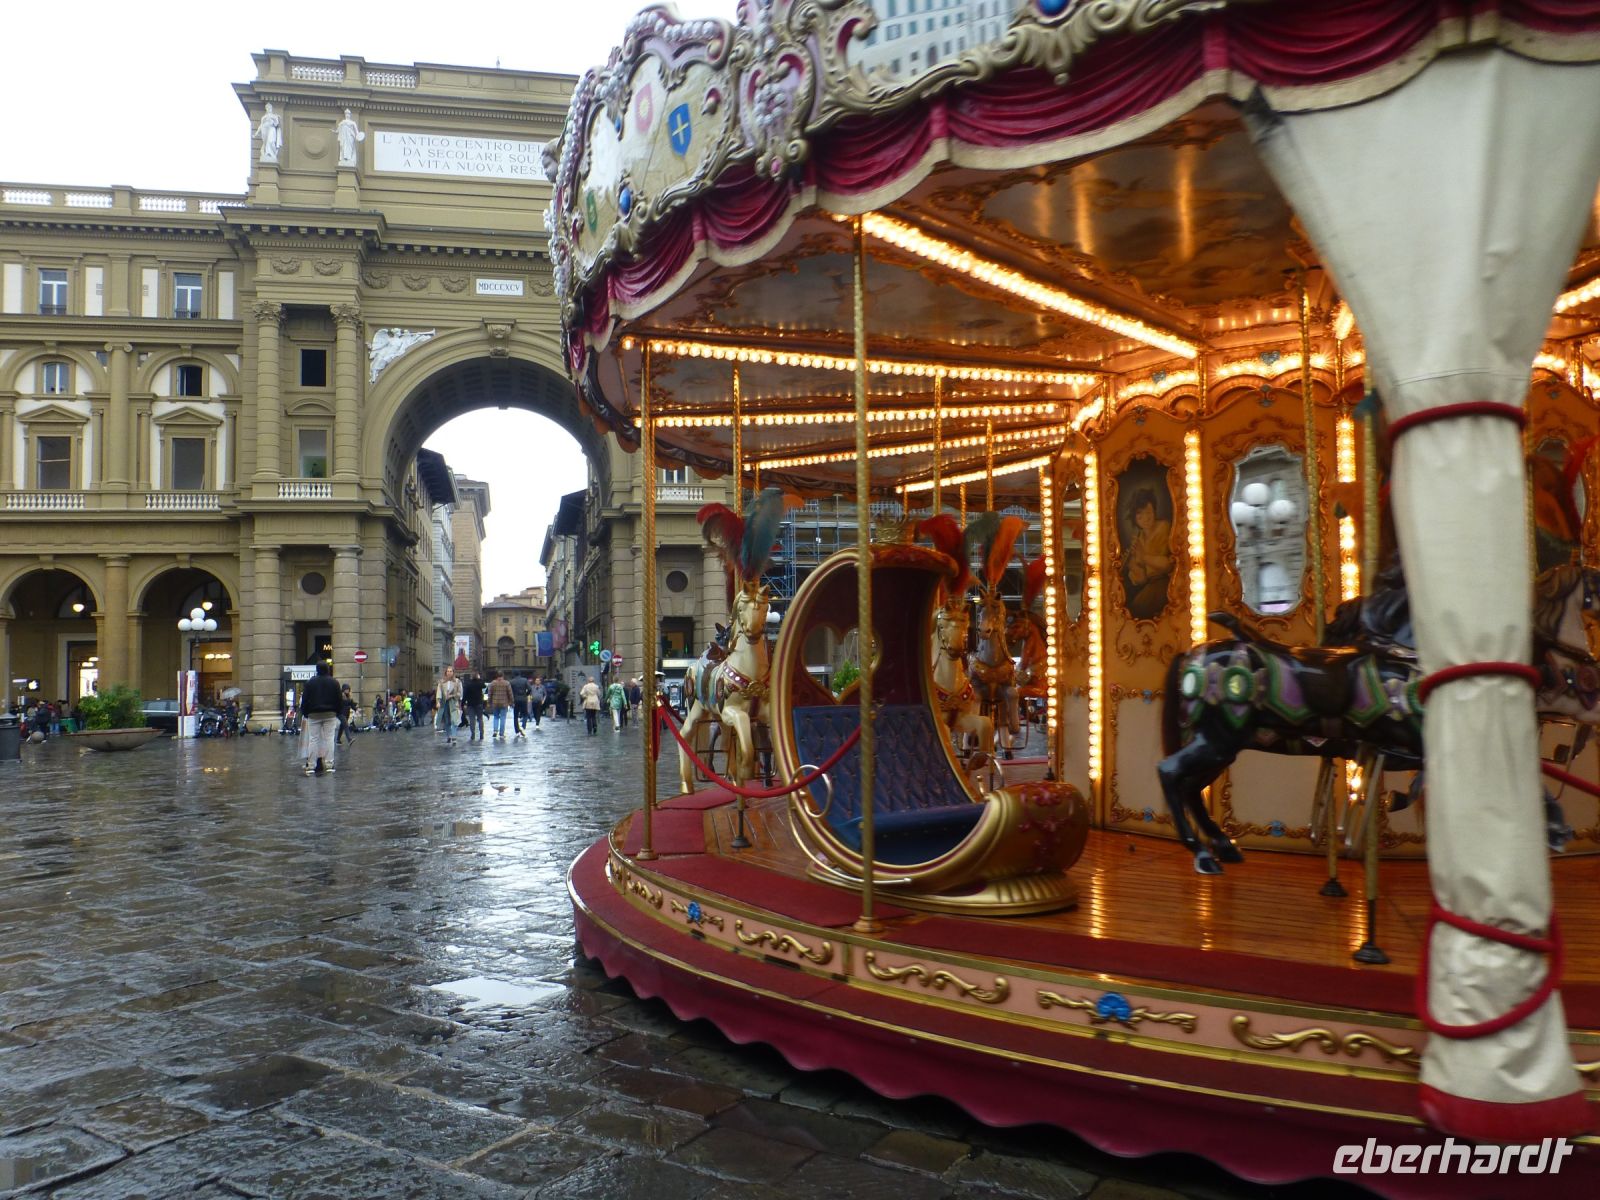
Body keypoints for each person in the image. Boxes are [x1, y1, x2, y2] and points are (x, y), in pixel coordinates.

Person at [1123, 488, 1174, 619]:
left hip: (1164, 584)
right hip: (1149, 585)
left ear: (1154, 511)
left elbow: (1167, 565)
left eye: (1148, 513)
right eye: (1140, 516)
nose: (1145, 519)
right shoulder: (1140, 537)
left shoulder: (1164, 527)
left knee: (1138, 608)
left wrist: (1143, 557)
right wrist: (1132, 564)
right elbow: (1141, 579)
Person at [300, 661, 344, 776]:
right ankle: (329, 764)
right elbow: (339, 699)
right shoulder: (334, 682)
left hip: (313, 714)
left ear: (317, 670)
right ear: (327, 669)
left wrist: (305, 713)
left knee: (313, 739)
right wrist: (337, 712)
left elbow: (305, 699)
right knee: (329, 739)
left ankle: (311, 765)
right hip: (330, 714)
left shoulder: (310, 682)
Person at [436, 667, 462, 746]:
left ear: (453, 672)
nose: (449, 673)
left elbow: (460, 693)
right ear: (446, 672)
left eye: (451, 671)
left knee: (454, 720)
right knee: (447, 721)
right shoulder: (441, 682)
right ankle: (449, 736)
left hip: (454, 703)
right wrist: (438, 701)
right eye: (448, 671)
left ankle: (454, 736)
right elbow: (439, 692)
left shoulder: (457, 682)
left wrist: (452, 696)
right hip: (444, 703)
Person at [487, 671, 514, 739]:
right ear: (503, 676)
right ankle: (501, 733)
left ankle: (495, 731)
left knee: (496, 717)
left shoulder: (493, 683)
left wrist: (489, 702)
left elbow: (489, 694)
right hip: (504, 703)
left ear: (497, 676)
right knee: (503, 718)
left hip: (495, 703)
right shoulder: (506, 683)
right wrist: (511, 701)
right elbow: (510, 693)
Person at [463, 673, 487, 741]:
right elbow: (484, 685)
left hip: (470, 704)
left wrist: (463, 703)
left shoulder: (468, 684)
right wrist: (479, 679)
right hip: (479, 703)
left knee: (472, 720)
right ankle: (481, 734)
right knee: (480, 719)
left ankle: (473, 734)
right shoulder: (480, 683)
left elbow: (465, 695)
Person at [510, 672, 530, 737]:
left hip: (515, 700)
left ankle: (517, 731)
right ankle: (523, 726)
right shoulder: (525, 680)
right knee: (525, 714)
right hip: (523, 699)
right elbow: (530, 689)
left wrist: (511, 700)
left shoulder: (512, 682)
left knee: (515, 716)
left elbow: (510, 692)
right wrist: (526, 694)